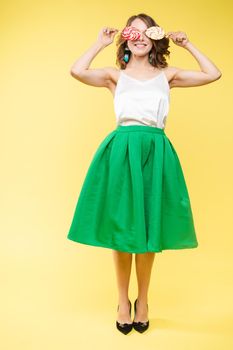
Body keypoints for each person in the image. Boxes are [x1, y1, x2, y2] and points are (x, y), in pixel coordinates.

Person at [67, 13, 222, 334]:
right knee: (123, 228)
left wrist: (188, 43)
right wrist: (100, 42)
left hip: (156, 151)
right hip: (122, 150)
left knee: (149, 229)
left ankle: (144, 301)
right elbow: (77, 70)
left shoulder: (168, 75)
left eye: (145, 32)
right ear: (125, 38)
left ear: (155, 38)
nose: (138, 37)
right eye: (132, 32)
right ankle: (123, 301)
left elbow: (214, 73)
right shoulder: (114, 75)